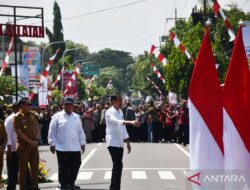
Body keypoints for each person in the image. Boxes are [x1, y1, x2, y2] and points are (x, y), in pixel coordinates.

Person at [48, 97, 86, 190]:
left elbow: (80, 131)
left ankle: (71, 182)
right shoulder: (57, 116)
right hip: (61, 147)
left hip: (75, 147)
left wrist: (83, 142)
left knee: (76, 165)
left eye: (70, 104)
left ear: (73, 106)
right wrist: (52, 143)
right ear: (63, 105)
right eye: (67, 104)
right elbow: (52, 131)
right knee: (63, 167)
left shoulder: (76, 117)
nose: (68, 106)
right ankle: (64, 185)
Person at [105, 95, 140, 190]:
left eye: (121, 100)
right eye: (119, 100)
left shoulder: (120, 111)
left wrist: (127, 141)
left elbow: (123, 127)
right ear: (113, 101)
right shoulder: (109, 112)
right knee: (118, 164)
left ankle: (115, 187)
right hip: (112, 142)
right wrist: (131, 122)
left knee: (118, 166)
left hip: (119, 142)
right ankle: (114, 187)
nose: (121, 102)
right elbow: (117, 122)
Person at [13, 98, 40, 190]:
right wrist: (30, 142)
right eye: (27, 104)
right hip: (23, 147)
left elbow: (37, 128)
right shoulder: (17, 117)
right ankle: (23, 188)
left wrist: (36, 139)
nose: (30, 106)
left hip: (34, 146)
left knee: (35, 168)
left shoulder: (33, 115)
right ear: (21, 106)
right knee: (23, 169)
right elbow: (19, 132)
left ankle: (35, 187)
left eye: (30, 104)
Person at [5, 102, 20, 190]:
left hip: (21, 150)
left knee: (24, 172)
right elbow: (7, 135)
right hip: (12, 150)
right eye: (19, 108)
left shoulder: (21, 118)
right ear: (15, 109)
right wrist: (9, 149)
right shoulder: (10, 119)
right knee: (12, 174)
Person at [0, 118, 7, 187]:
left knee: (0, 166)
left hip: (0, 150)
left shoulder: (1, 122)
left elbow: (5, 136)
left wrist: (3, 145)